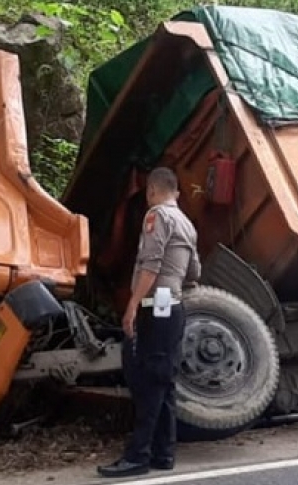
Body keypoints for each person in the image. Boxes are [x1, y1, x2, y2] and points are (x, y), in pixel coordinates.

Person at [97, 166, 201, 478]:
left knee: (148, 383)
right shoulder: (187, 223)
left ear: (151, 191)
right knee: (163, 381)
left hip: (156, 305)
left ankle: (137, 456)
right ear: (176, 192)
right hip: (174, 308)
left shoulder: (157, 216)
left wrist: (131, 305)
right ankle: (163, 453)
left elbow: (151, 265)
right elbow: (195, 271)